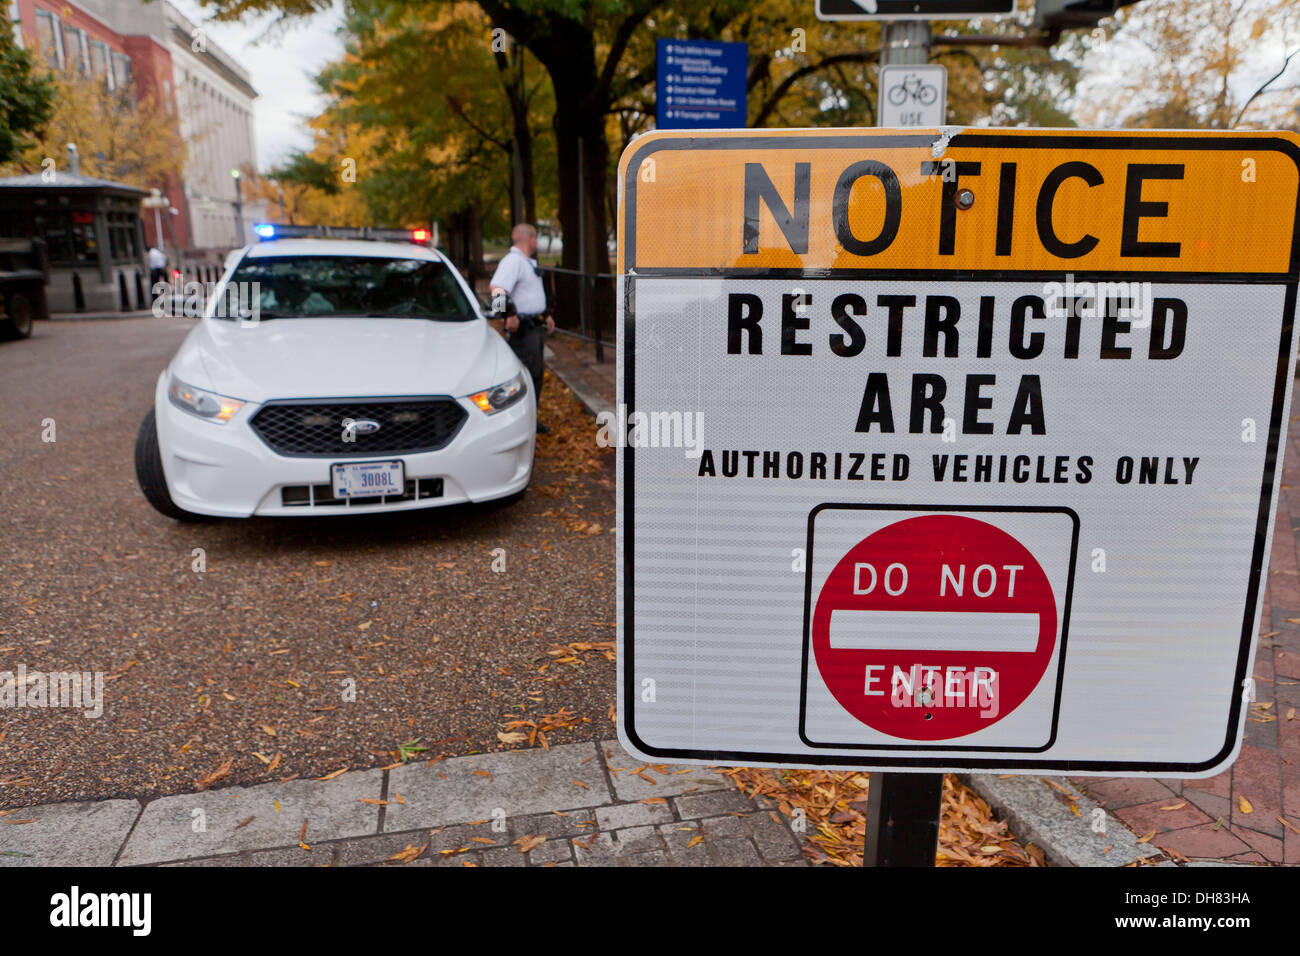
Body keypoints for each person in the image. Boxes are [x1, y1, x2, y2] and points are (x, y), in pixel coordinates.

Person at [489, 223, 554, 434]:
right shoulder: (513, 261)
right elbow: (496, 288)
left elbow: (530, 294)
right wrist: (506, 315)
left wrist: (545, 315)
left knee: (535, 375)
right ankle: (521, 424)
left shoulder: (525, 262)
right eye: (536, 238)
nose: (537, 242)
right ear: (530, 239)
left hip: (535, 325)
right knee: (526, 376)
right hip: (524, 330)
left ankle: (530, 422)